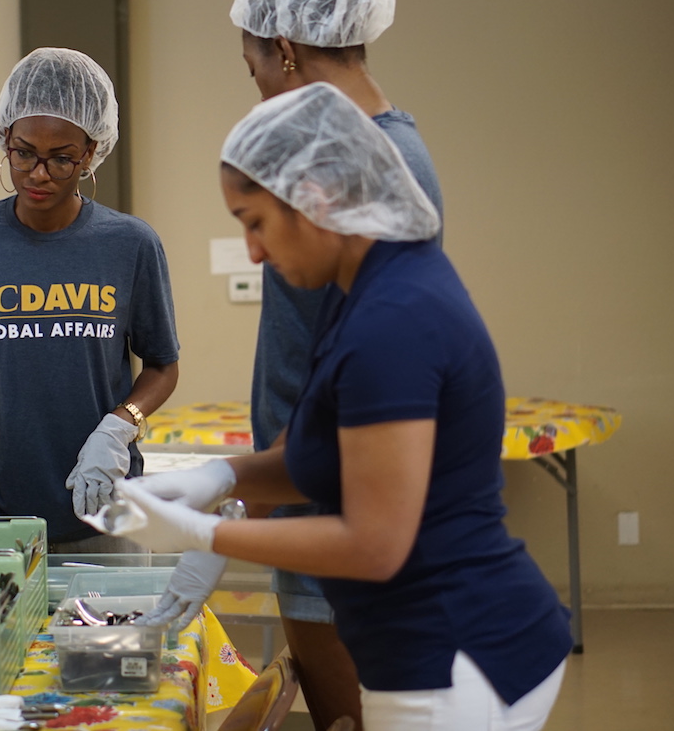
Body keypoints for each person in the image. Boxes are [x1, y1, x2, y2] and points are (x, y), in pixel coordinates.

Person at [103, 83, 572, 731]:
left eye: (255, 222)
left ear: (315, 199)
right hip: (433, 640)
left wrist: (206, 533)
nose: (254, 253)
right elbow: (325, 454)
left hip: (455, 651)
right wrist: (223, 477)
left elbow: (377, 543)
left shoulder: (393, 320)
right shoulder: (364, 290)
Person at [146, 0, 445, 730]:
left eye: (255, 72)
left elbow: (350, 395)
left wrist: (238, 522)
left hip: (340, 519)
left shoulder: (356, 179)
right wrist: (234, 489)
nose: (254, 254)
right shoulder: (384, 154)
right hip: (315, 493)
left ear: (283, 48)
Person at [0, 47, 180, 551]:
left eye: (61, 158)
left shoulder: (130, 245)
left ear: (91, 152)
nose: (39, 173)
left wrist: (119, 427)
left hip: (103, 505)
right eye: (24, 152)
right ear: (5, 139)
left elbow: (162, 365)